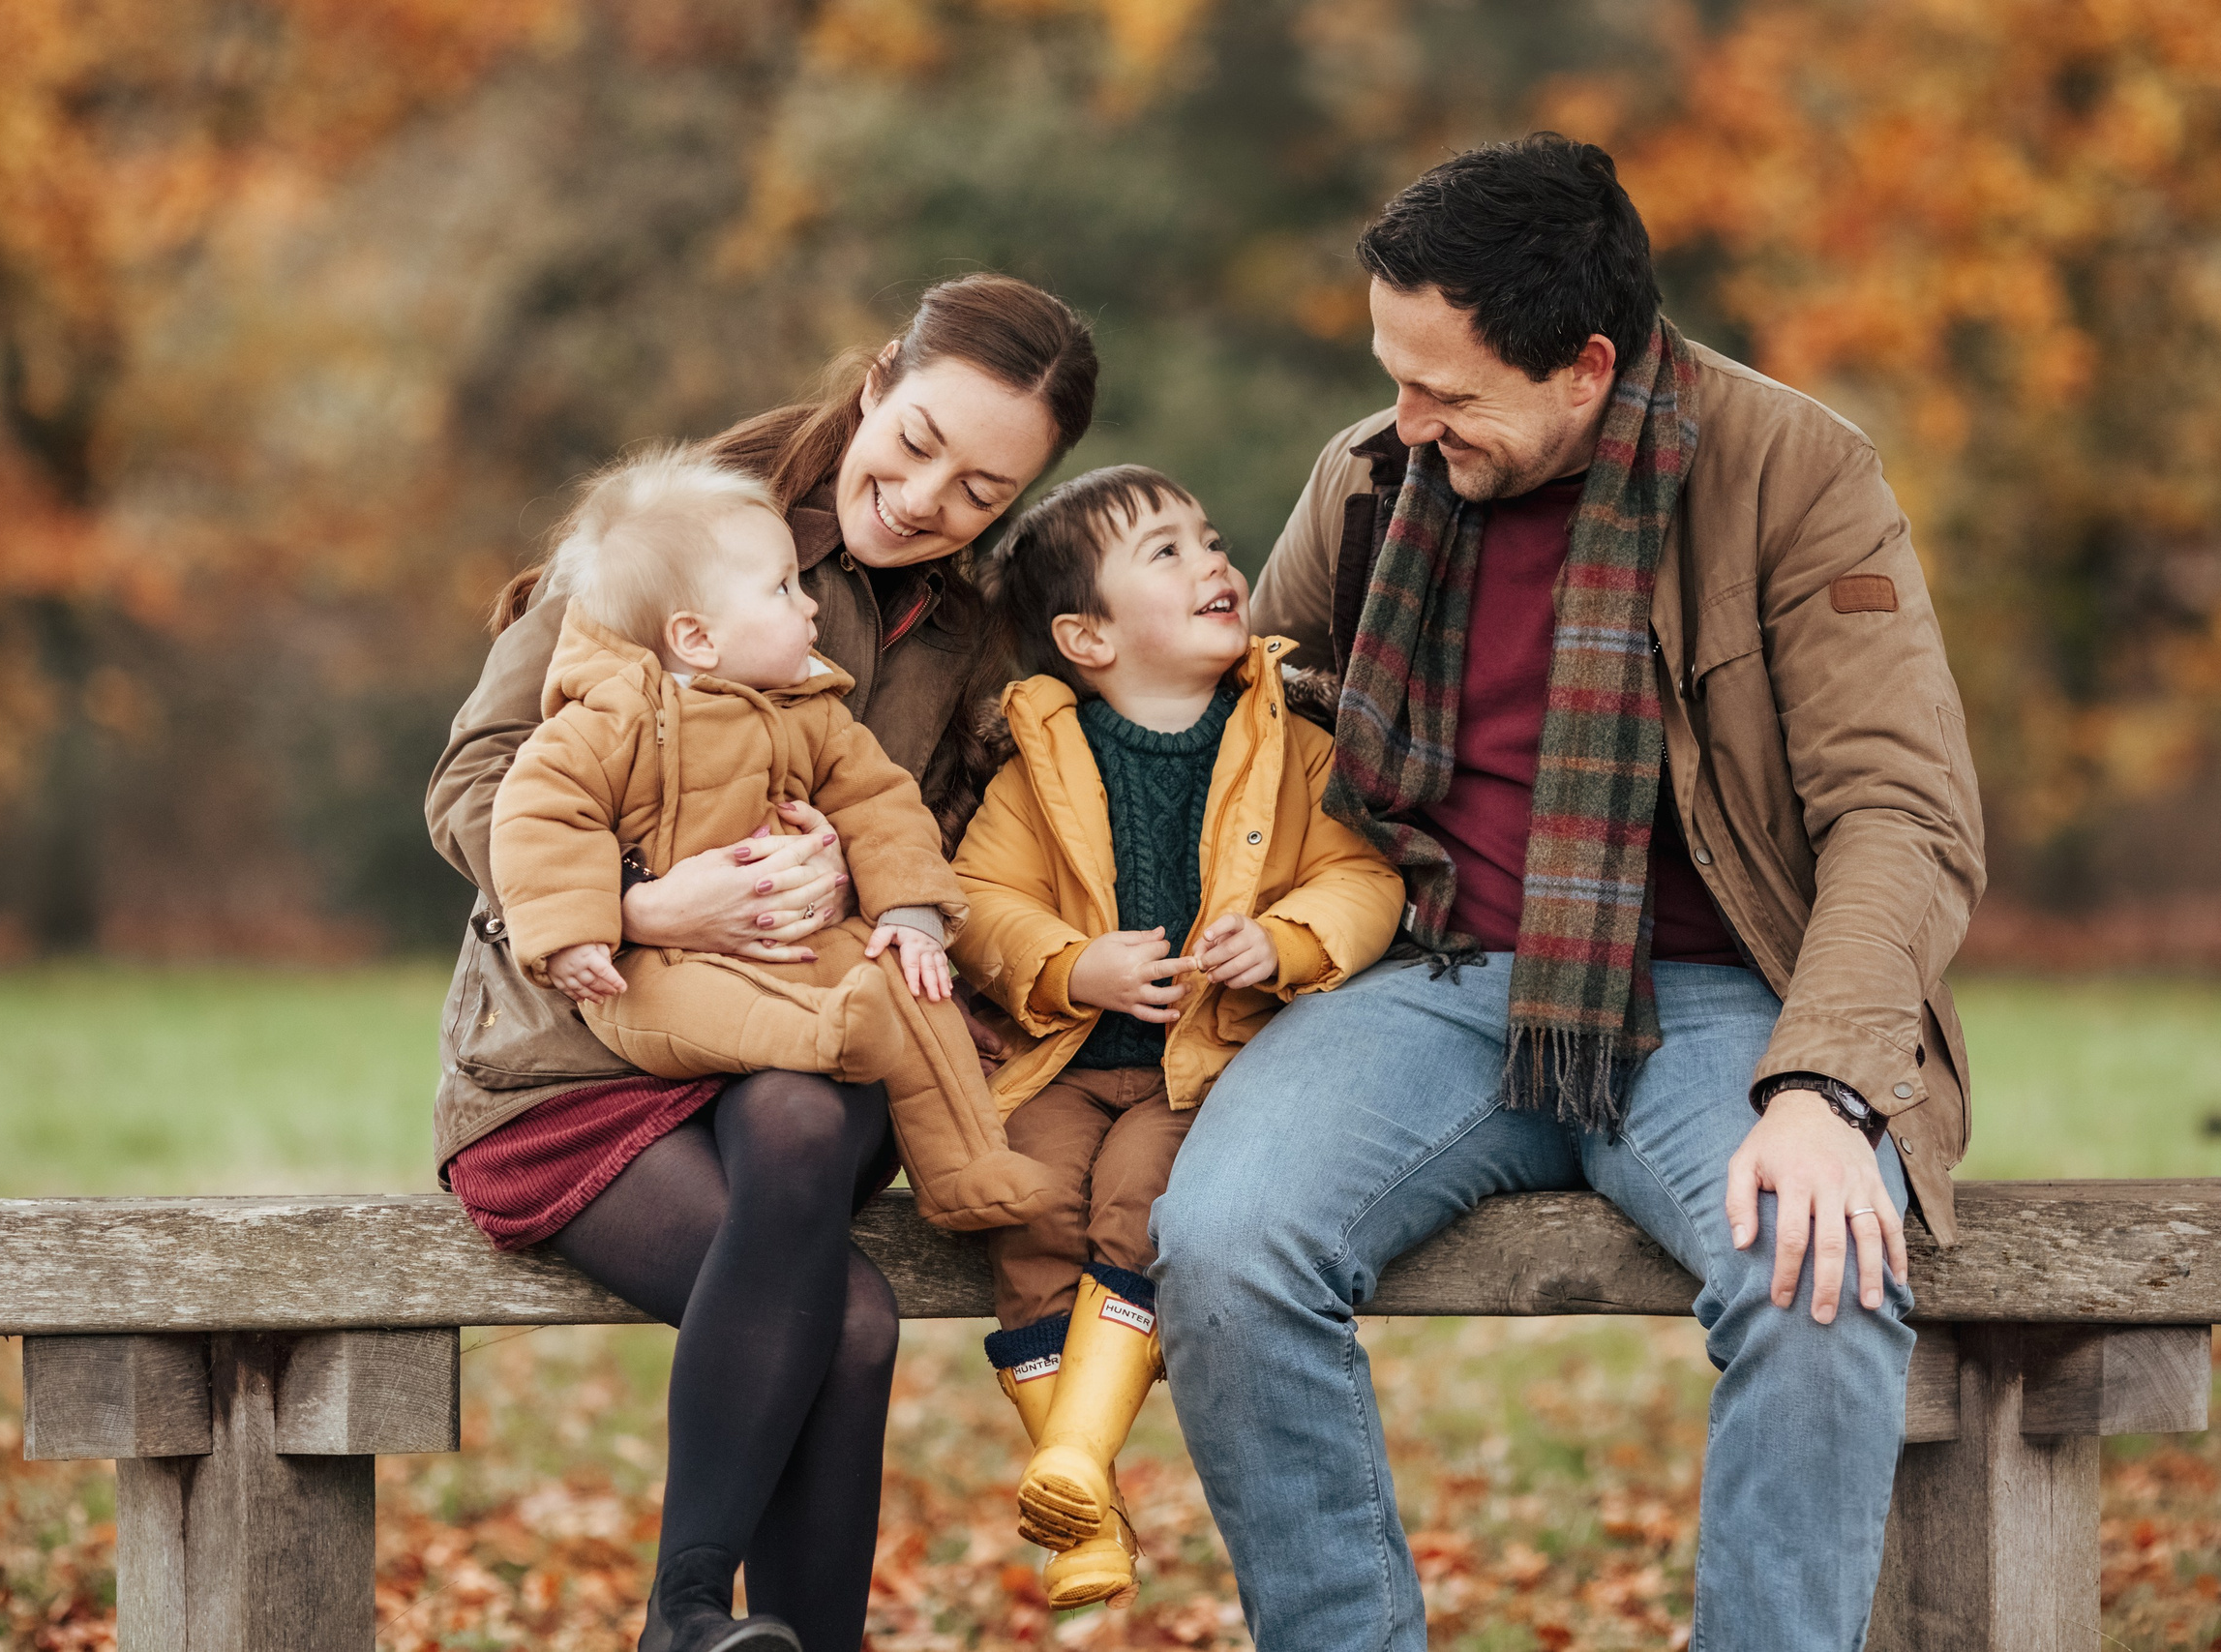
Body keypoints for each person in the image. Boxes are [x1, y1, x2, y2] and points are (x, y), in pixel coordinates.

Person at [1147, 135, 1987, 1651]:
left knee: (1821, 1279)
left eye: (1447, 392)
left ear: (1588, 364)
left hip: (1724, 997)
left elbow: (1902, 809)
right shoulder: (1372, 482)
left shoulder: (1797, 473)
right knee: (1220, 1243)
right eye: (1394, 375)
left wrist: (1825, 1087)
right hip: (1435, 978)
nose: (1404, 421)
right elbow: (1227, 734)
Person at [424, 273, 1096, 1652]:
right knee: (847, 1323)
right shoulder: (676, 536)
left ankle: (690, 1617)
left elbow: (965, 845)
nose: (922, 500)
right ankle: (699, 1618)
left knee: (800, 1106)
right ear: (873, 384)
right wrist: (636, 902)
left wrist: (870, 878)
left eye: (978, 490)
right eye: (914, 442)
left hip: (808, 1023)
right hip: (583, 1046)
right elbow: (479, 780)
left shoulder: (965, 635)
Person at [948, 466, 1404, 1611]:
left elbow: (1360, 873)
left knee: (1135, 1211)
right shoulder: (1040, 759)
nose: (1213, 560)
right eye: (1166, 551)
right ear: (1086, 637)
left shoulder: (1287, 739)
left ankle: (1071, 1468)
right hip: (1063, 1063)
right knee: (1030, 1208)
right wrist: (1067, 963)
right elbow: (979, 899)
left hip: (1197, 1074)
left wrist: (1289, 942)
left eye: (1207, 536)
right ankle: (1081, 1508)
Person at [489, 445, 1062, 1236]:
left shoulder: (810, 711)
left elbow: (881, 801)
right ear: (695, 637)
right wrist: (580, 929)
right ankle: (827, 1038)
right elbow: (541, 817)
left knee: (911, 987)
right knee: (719, 1005)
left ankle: (967, 1166)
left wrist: (911, 911)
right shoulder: (609, 720)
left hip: (804, 945)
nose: (810, 606)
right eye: (783, 589)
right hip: (661, 969)